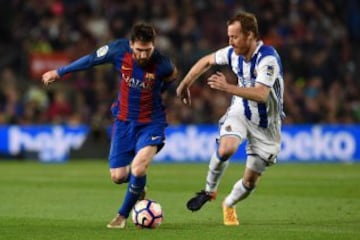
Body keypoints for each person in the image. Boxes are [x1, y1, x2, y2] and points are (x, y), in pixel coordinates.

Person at [42, 22, 178, 229]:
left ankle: (121, 217)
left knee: (139, 167)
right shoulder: (117, 50)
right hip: (123, 121)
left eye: (148, 50)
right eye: (139, 50)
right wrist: (59, 72)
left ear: (154, 45)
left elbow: (172, 76)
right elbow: (89, 60)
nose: (143, 55)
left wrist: (166, 90)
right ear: (131, 44)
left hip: (152, 122)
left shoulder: (162, 63)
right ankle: (138, 187)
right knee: (118, 176)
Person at [176, 11, 284, 226]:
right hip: (241, 111)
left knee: (250, 182)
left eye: (234, 36)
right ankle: (209, 191)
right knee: (226, 149)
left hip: (267, 126)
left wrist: (227, 87)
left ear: (250, 35)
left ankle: (229, 203)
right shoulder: (233, 53)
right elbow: (207, 61)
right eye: (229, 36)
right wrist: (184, 84)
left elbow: (261, 95)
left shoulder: (268, 59)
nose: (230, 41)